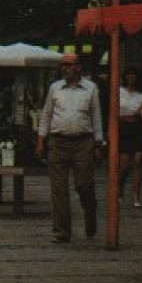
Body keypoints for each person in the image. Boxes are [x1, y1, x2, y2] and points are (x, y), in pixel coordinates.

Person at [37, 52, 104, 244]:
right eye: (63, 65)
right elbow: (46, 115)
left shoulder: (91, 89)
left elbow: (96, 116)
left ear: (78, 67)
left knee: (84, 185)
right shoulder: (54, 88)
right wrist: (41, 141)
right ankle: (62, 230)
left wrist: (99, 143)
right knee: (58, 189)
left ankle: (90, 210)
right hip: (58, 142)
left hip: (83, 142)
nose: (65, 68)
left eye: (69, 64)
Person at [117, 66, 142, 208]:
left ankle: (136, 196)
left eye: (134, 75)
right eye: (128, 74)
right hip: (123, 127)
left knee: (138, 161)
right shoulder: (119, 92)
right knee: (124, 164)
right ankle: (119, 191)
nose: (131, 78)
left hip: (137, 127)